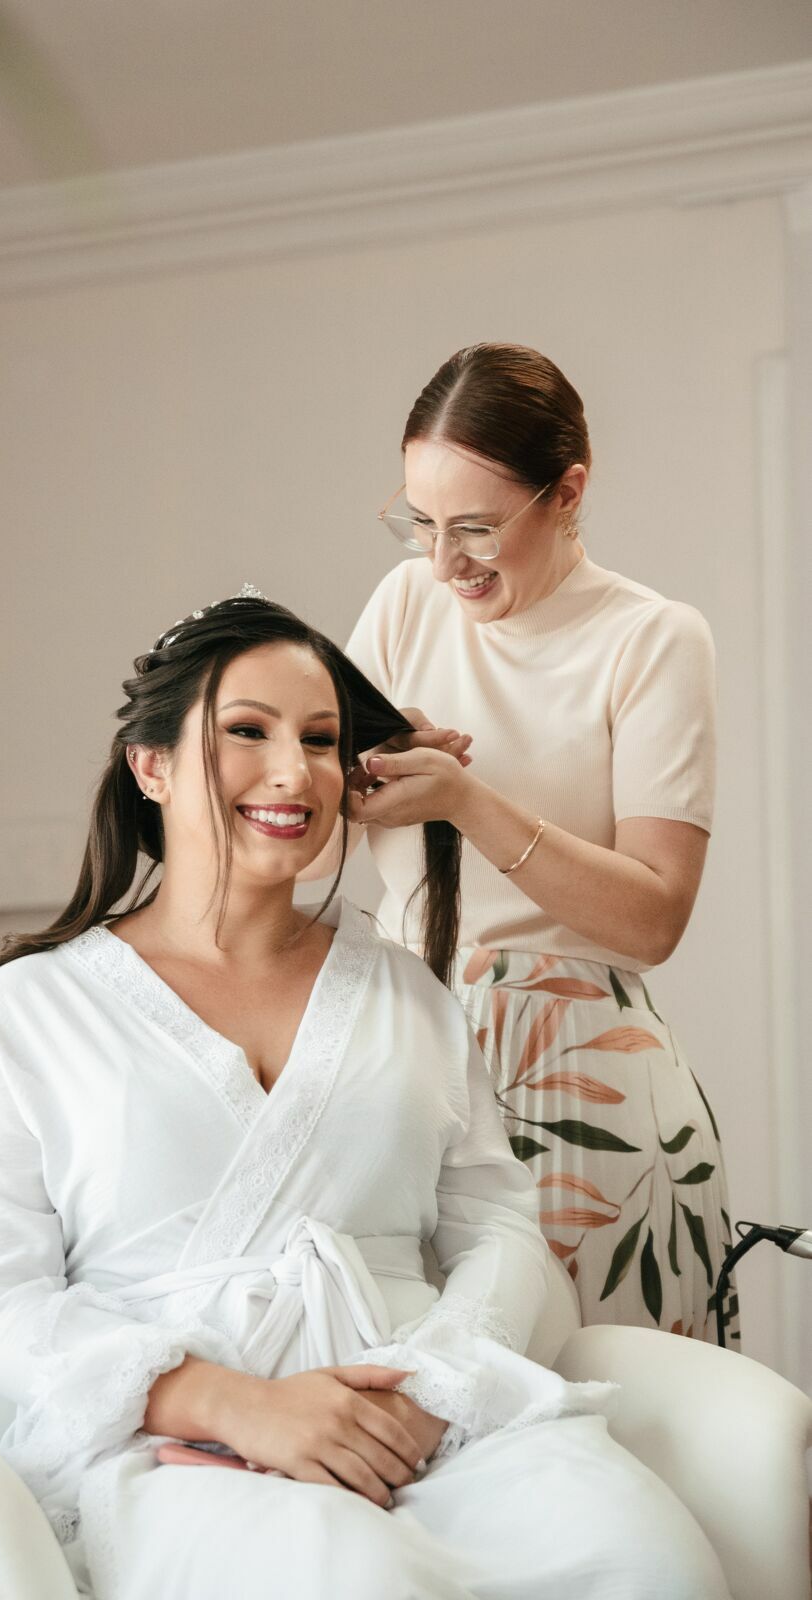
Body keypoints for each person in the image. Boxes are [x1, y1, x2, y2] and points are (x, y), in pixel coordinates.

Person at [0, 592, 730, 1600]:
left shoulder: (403, 992)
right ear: (152, 763)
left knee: (646, 1557)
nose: (291, 771)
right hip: (185, 1447)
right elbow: (1, 1306)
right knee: (346, 1578)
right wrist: (234, 1405)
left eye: (319, 739)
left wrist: (431, 1391)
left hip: (426, 1422)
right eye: (246, 732)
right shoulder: (28, 1011)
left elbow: (502, 1229)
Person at [329, 343, 735, 1345]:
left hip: (587, 1077)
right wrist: (353, 778)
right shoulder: (403, 604)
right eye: (420, 523)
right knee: (431, 1421)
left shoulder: (652, 639)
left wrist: (470, 800)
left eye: (475, 527)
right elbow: (306, 841)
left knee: (616, 1408)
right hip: (410, 1054)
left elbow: (652, 916)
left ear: (568, 494)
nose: (441, 562)